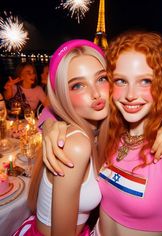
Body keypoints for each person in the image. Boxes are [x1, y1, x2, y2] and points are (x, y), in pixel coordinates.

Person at [43, 31, 162, 236]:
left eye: (145, 81)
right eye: (121, 81)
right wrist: (50, 126)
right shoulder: (111, 134)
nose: (130, 95)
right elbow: (56, 107)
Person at [13, 40, 110, 236]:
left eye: (101, 79)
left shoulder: (96, 135)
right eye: (78, 85)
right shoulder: (76, 145)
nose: (96, 93)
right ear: (62, 95)